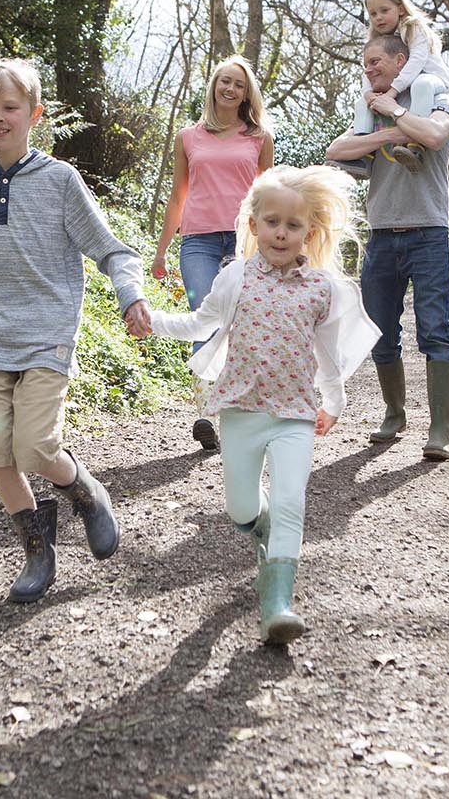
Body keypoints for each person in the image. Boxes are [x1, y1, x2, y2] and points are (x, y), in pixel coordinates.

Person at [0, 58, 152, 603]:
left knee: (35, 445)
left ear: (34, 114)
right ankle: (37, 551)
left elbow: (111, 249)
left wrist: (131, 294)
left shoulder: (59, 181)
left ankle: (85, 492)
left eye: (10, 108)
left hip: (46, 335)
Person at [135, 166, 378, 644]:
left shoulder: (322, 289)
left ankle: (277, 603)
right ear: (252, 225)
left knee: (291, 501)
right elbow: (200, 322)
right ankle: (261, 531)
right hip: (241, 410)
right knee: (241, 509)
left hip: (295, 414)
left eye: (292, 225)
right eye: (272, 222)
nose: (281, 233)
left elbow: (327, 355)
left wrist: (336, 401)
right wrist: (153, 321)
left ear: (309, 232)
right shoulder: (235, 278)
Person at [324, 33, 449, 461]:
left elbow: (436, 135)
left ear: (402, 60)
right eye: (365, 63)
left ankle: (440, 426)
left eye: (376, 60)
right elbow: (336, 150)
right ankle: (394, 413)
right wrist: (386, 134)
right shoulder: (369, 114)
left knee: (434, 329)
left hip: (428, 231)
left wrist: (397, 111)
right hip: (382, 235)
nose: (369, 69)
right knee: (380, 330)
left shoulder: (433, 94)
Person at [151, 55, 275, 452]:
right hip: (199, 242)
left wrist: (275, 247)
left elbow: (268, 199)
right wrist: (161, 251)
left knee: (240, 326)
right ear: (214, 86)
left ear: (246, 93)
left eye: (238, 84)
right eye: (224, 81)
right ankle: (205, 413)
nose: (230, 88)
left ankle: (240, 409)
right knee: (204, 319)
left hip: (243, 242)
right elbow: (178, 195)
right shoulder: (188, 137)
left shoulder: (259, 138)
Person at [328, 0, 449, 180]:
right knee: (362, 104)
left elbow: (415, 63)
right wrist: (369, 95)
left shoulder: (414, 28)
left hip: (428, 80)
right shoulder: (377, 39)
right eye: (373, 14)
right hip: (400, 88)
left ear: (401, 8)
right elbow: (367, 69)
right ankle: (363, 155)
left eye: (384, 10)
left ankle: (415, 146)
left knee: (421, 85)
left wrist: (392, 95)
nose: (378, 17)